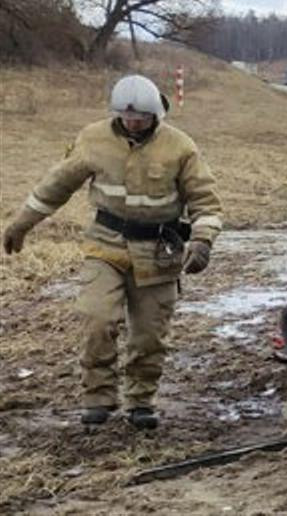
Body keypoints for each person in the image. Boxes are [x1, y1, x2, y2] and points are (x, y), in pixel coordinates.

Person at [1, 74, 223, 430]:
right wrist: (21, 223)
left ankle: (141, 399)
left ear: (156, 115)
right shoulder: (93, 139)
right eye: (127, 116)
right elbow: (55, 185)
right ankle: (98, 397)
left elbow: (205, 200)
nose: (134, 123)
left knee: (150, 333)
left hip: (159, 252)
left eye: (141, 118)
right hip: (106, 246)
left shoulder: (181, 147)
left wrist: (202, 240)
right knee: (97, 319)